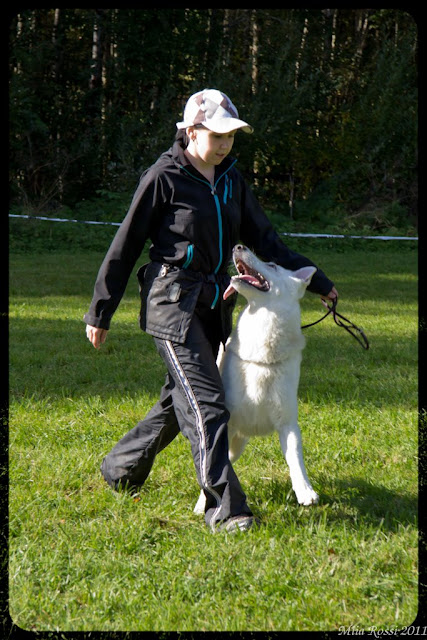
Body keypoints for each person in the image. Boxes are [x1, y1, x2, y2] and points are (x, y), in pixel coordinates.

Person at [84, 88, 338, 533]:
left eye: (231, 136)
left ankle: (119, 469)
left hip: (214, 303)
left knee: (178, 400)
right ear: (192, 130)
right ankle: (227, 509)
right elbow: (125, 244)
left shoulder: (232, 180)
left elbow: (266, 241)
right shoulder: (163, 177)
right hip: (170, 304)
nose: (225, 145)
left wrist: (318, 281)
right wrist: (100, 310)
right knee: (207, 404)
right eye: (217, 135)